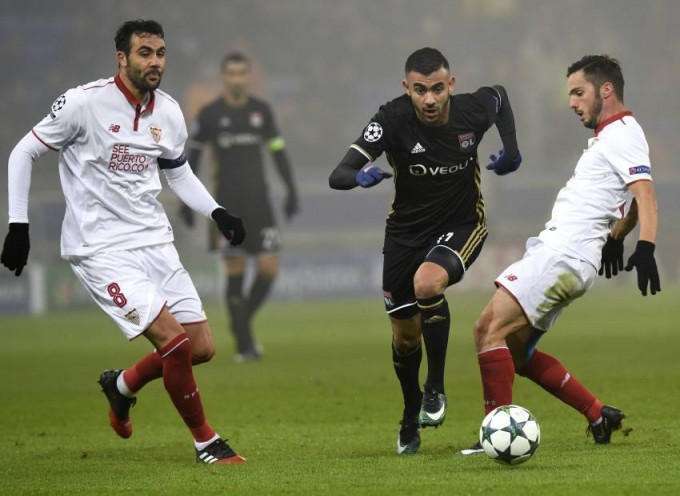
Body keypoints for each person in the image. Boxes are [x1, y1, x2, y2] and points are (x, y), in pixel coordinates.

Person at [0, 19, 249, 465]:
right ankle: (207, 443)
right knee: (174, 344)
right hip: (100, 248)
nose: (155, 62)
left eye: (161, 53)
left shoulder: (168, 112)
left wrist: (217, 212)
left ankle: (122, 385)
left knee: (200, 348)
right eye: (145, 53)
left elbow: (178, 173)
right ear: (122, 58)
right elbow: (24, 152)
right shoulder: (83, 103)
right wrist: (18, 225)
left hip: (154, 240)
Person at [459, 54, 660, 456]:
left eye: (578, 92)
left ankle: (494, 435)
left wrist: (646, 247)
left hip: (562, 254)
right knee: (517, 354)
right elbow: (633, 198)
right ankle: (598, 414)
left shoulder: (623, 133)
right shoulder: (612, 136)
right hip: (568, 257)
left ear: (606, 90)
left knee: (487, 330)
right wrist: (617, 236)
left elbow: (646, 194)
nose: (572, 102)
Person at [328, 47, 522, 454]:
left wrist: (512, 150)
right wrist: (359, 176)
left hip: (462, 224)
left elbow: (500, 97)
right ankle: (409, 410)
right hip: (405, 233)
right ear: (407, 88)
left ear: (451, 85)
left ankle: (435, 388)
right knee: (404, 338)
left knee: (428, 283)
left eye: (437, 88)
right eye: (420, 90)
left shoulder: (471, 110)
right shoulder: (391, 119)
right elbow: (338, 173)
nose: (429, 99)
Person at [180, 51, 299, 363]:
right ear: (224, 78)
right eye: (231, 74)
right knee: (235, 268)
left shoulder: (261, 111)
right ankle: (244, 344)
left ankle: (240, 323)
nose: (236, 79)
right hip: (227, 206)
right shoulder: (210, 114)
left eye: (241, 74)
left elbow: (277, 151)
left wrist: (290, 189)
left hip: (260, 203)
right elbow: (192, 158)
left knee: (268, 268)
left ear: (248, 77)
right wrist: (186, 201)